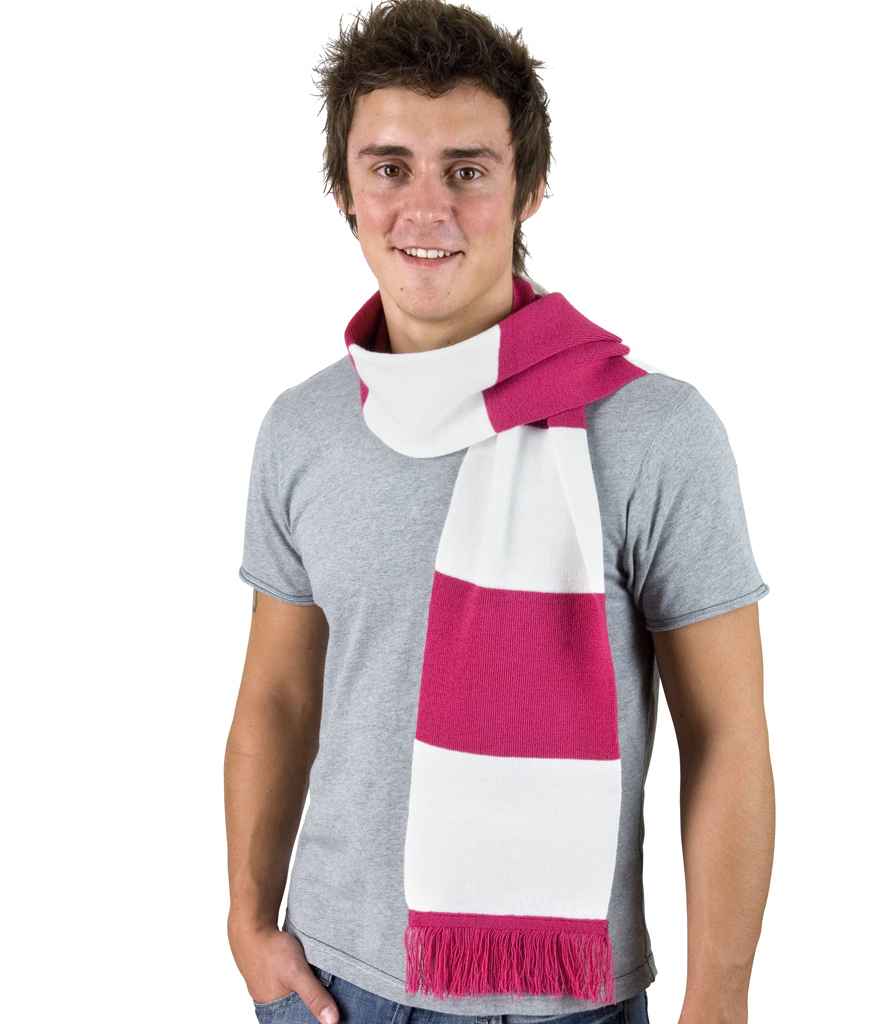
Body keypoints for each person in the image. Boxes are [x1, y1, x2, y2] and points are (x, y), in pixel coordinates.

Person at [224, 2, 774, 1023]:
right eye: (390, 168)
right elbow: (278, 697)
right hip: (332, 986)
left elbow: (728, 735)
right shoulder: (303, 429)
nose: (425, 209)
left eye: (467, 171)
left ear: (528, 187)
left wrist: (721, 1002)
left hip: (566, 1002)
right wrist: (248, 924)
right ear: (344, 188)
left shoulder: (650, 429)